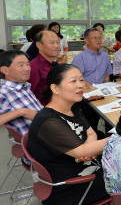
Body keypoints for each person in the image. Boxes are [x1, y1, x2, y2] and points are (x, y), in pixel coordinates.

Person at [27, 64, 110, 205]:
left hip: (85, 168)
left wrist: (88, 150)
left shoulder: (71, 107)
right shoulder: (48, 121)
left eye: (82, 80)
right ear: (55, 88)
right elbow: (81, 151)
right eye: (73, 81)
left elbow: (90, 132)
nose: (80, 85)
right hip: (72, 187)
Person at [0, 51, 42, 135]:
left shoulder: (23, 87)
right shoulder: (3, 92)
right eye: (21, 65)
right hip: (38, 141)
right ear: (5, 70)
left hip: (47, 134)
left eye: (27, 64)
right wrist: (21, 112)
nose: (27, 69)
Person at [29, 30, 67, 106]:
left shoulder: (50, 64)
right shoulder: (35, 67)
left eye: (58, 42)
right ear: (39, 45)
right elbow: (28, 95)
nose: (56, 46)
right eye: (51, 43)